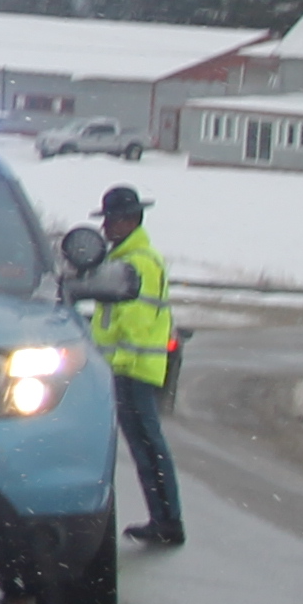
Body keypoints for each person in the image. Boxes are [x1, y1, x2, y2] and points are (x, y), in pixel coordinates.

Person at [83, 184, 186, 546]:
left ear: (129, 220)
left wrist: (118, 366)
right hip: (130, 369)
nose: (106, 228)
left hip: (133, 370)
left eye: (111, 220)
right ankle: (164, 519)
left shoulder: (136, 263)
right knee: (146, 446)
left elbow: (137, 325)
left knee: (148, 446)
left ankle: (168, 521)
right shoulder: (126, 258)